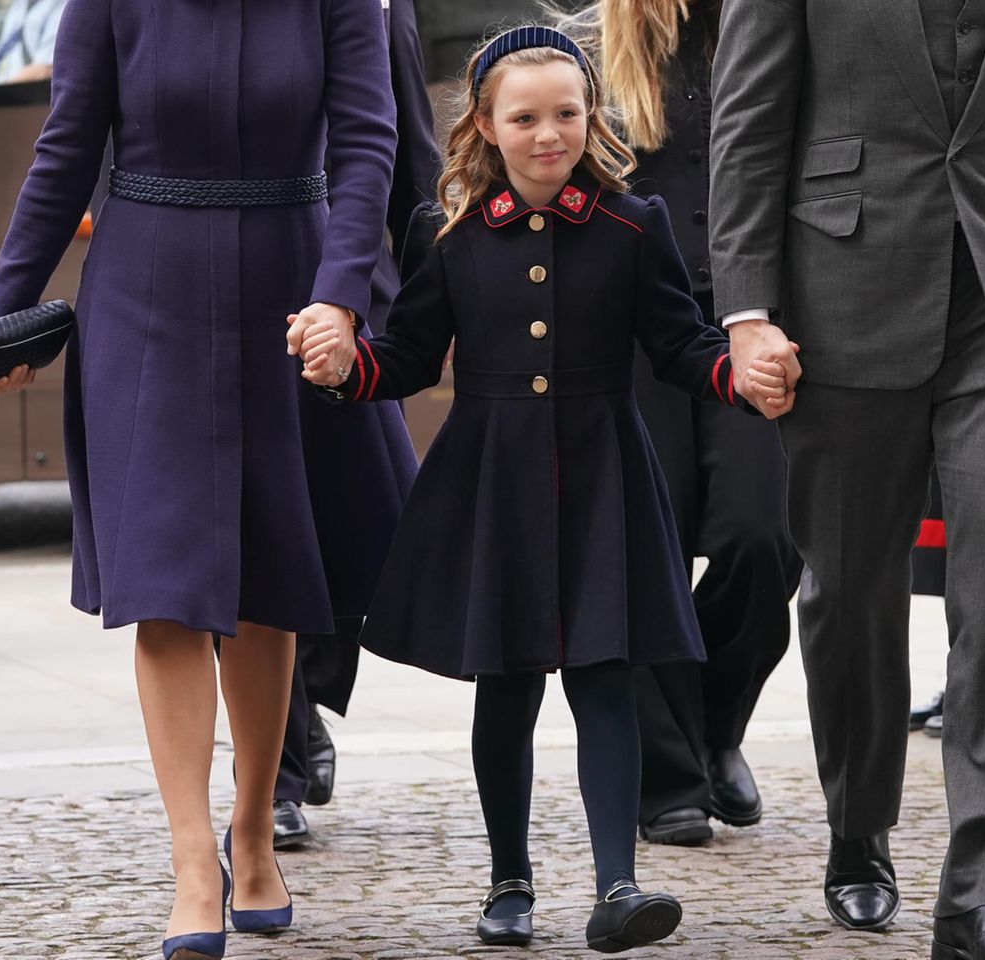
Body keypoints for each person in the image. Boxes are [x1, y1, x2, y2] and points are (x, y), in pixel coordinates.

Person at [288, 25, 788, 952]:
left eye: (566, 113)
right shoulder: (447, 235)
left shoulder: (636, 225)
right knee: (508, 686)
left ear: (591, 116)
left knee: (605, 675)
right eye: (525, 117)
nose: (548, 134)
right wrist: (341, 369)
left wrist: (739, 380)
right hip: (493, 485)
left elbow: (680, 346)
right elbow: (402, 359)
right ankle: (507, 884)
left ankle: (618, 887)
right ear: (484, 124)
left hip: (605, 479)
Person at [0, 1, 416, 957]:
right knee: (163, 583)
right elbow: (67, 145)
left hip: (291, 287)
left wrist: (340, 293)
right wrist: (6, 310)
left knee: (270, 578)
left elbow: (370, 142)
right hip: (144, 290)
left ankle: (253, 828)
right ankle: (192, 857)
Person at [709, 2, 985, 957]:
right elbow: (746, 118)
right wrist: (746, 311)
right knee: (850, 590)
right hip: (841, 294)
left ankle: (984, 893)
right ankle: (858, 823)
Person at [557, 0, 802, 846]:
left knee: (762, 537)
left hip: (758, 323)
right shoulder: (594, 50)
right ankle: (668, 779)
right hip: (632, 335)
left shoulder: (785, 24)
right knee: (642, 547)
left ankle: (711, 727)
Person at [273, 0, 443, 851]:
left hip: (354, 291)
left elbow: (410, 144)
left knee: (345, 516)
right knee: (255, 519)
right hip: (233, 273)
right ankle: (279, 761)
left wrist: (437, 291)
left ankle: (308, 702)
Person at [0, 0, 67, 87]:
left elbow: (45, 69)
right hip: (2, 90)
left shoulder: (63, 6)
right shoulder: (20, 5)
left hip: (24, 96)